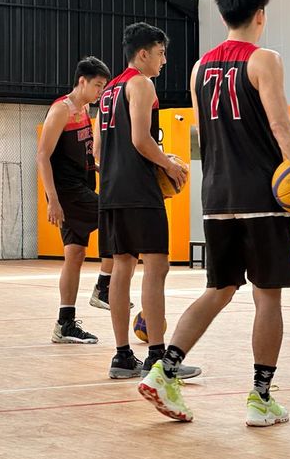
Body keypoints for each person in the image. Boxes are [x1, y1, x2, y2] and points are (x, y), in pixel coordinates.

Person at [138, 0, 290, 426]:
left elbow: (205, 135)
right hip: (262, 196)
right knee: (267, 296)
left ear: (222, 15)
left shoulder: (198, 67)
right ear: (260, 15)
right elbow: (281, 126)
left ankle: (163, 371)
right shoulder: (265, 59)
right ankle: (260, 399)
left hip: (217, 195)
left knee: (219, 289)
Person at [95, 22, 200, 381]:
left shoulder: (108, 90)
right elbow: (141, 139)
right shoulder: (141, 83)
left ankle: (123, 356)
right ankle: (158, 355)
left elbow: (97, 150)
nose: (164, 60)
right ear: (143, 54)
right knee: (157, 267)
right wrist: (168, 162)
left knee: (122, 267)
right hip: (139, 191)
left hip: (110, 190)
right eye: (160, 53)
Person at [37, 57, 112, 344]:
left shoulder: (86, 109)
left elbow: (92, 153)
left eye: (103, 87)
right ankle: (103, 287)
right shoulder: (61, 110)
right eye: (96, 85)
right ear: (82, 81)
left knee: (75, 255)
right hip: (67, 191)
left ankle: (64, 323)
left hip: (81, 184)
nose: (99, 91)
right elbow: (42, 156)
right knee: (114, 217)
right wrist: (52, 201)